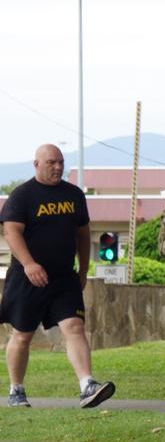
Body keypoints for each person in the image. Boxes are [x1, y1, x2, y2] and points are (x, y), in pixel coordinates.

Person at [1, 144, 115, 408]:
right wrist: (29, 264)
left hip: (64, 277)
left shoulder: (73, 194)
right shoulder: (22, 195)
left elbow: (83, 233)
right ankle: (16, 390)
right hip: (27, 278)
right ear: (37, 164)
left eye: (61, 162)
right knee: (22, 334)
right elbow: (11, 232)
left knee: (74, 326)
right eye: (51, 162)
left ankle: (87, 386)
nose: (58, 167)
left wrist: (84, 269)